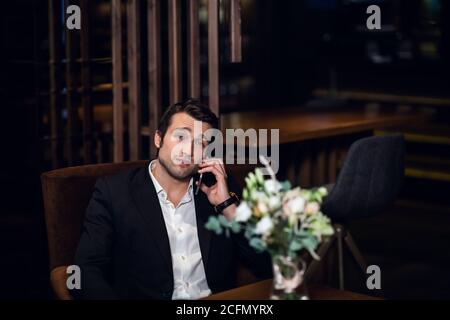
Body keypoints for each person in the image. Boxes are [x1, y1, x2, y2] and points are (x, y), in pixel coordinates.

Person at [73, 100, 272, 299]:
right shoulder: (114, 192)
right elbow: (85, 270)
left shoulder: (220, 190)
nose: (187, 151)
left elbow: (265, 265)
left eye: (200, 143)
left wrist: (227, 207)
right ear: (158, 139)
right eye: (180, 137)